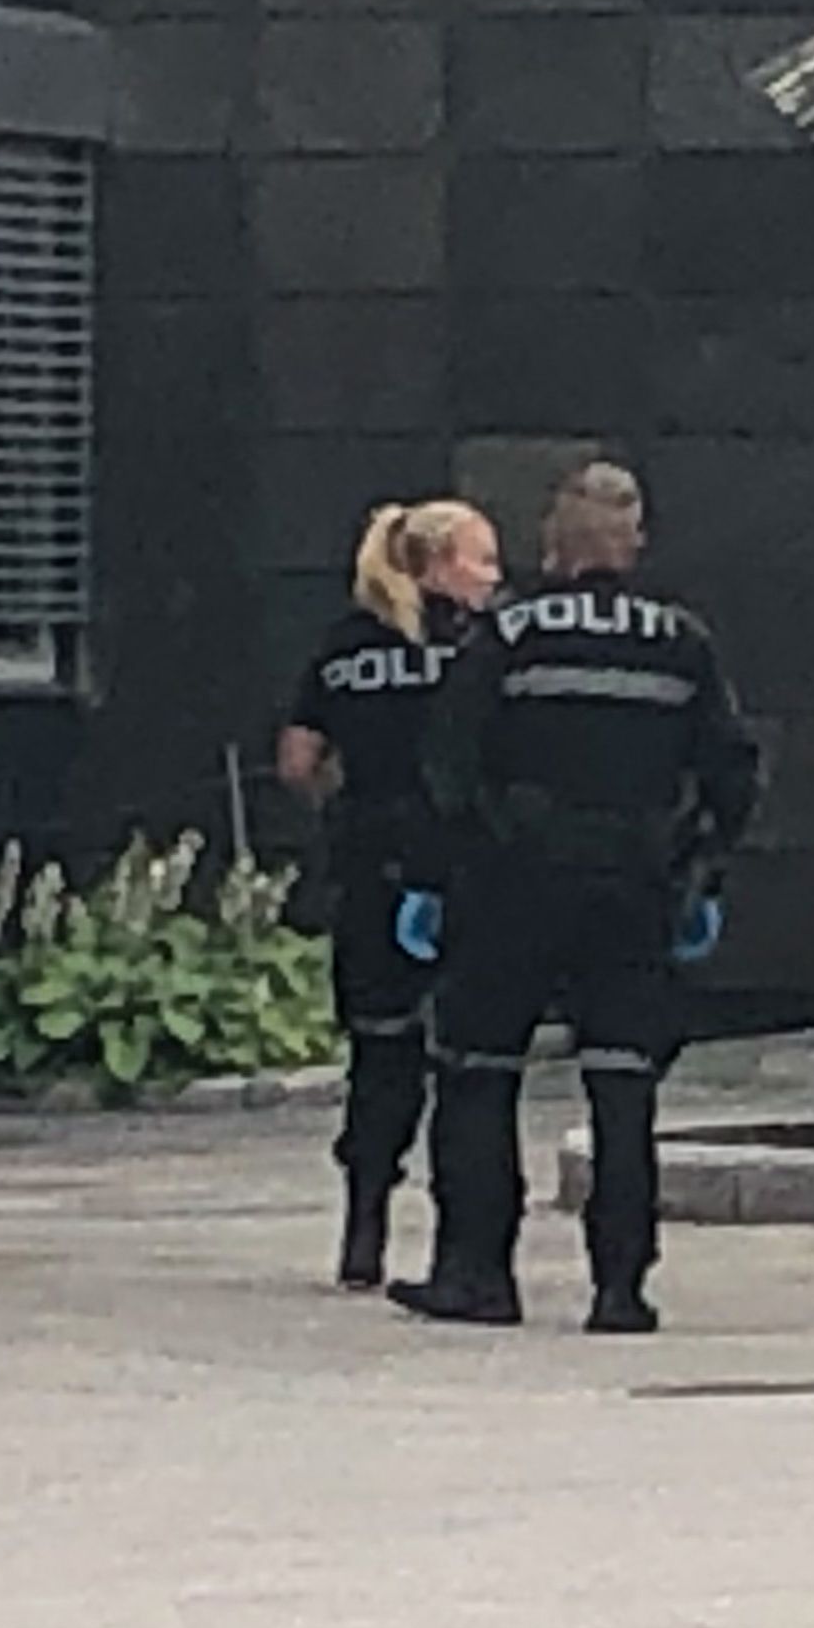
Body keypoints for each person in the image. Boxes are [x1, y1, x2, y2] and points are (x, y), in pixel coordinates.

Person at [394, 462, 760, 1334]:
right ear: (634, 544)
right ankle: (619, 1288)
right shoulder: (680, 642)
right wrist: (699, 869)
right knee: (623, 1088)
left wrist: (439, 875)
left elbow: (447, 762)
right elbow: (732, 772)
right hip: (632, 889)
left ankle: (478, 1275)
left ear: (553, 543)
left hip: (512, 885)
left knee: (478, 1074)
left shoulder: (510, 635)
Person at [279, 498, 504, 1290]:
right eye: (482, 559)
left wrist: (344, 809)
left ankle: (364, 1225)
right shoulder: (476, 646)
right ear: (438, 564)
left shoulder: (344, 645)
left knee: (380, 1052)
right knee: (469, 1062)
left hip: (369, 870)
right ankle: (461, 1242)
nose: (494, 577)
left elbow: (298, 761)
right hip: (465, 873)